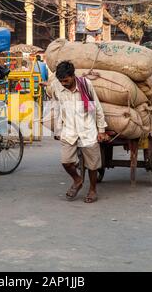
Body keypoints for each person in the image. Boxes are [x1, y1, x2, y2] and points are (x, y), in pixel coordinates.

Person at [46, 61, 108, 203]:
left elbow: (96, 107)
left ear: (73, 76)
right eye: (61, 81)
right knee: (66, 161)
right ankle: (78, 180)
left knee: (92, 165)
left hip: (87, 128)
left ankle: (92, 189)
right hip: (69, 130)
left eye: (66, 80)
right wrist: (57, 129)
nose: (63, 83)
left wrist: (101, 130)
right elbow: (56, 108)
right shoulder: (56, 86)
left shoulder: (86, 85)